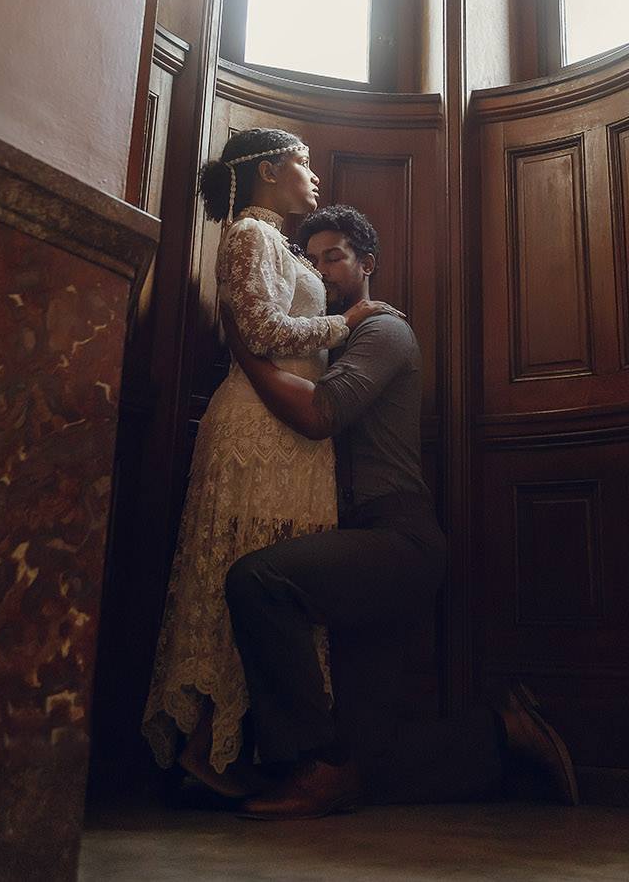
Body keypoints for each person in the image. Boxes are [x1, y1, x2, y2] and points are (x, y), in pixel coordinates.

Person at [223, 203, 578, 818]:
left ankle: (311, 768)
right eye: (312, 259)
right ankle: (505, 735)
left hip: (398, 541)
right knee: (371, 758)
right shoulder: (328, 343)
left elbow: (318, 416)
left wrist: (246, 353)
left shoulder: (383, 332)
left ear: (368, 264)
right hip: (369, 538)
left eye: (334, 256)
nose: (322, 270)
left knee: (257, 581)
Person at [141, 135, 391, 793]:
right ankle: (204, 746)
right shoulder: (249, 236)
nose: (313, 176)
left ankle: (250, 748)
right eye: (304, 163)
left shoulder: (274, 242)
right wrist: (345, 328)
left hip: (291, 435)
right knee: (242, 571)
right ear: (270, 170)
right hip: (257, 428)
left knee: (272, 578)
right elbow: (260, 332)